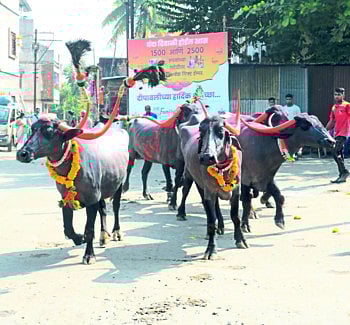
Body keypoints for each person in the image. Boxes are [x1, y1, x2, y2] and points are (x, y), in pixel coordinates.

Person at [326, 87, 350, 183]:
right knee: (338, 153)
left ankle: (344, 172)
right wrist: (324, 130)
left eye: (339, 94)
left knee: (335, 151)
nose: (337, 96)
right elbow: (332, 121)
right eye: (335, 94)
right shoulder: (334, 107)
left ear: (343, 95)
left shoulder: (347, 105)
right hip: (337, 133)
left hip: (345, 133)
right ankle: (342, 174)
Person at [283, 93, 302, 159]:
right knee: (287, 142)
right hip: (286, 127)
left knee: (294, 141)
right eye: (287, 99)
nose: (288, 101)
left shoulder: (296, 108)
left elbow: (299, 117)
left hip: (294, 127)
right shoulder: (283, 108)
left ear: (292, 100)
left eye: (290, 99)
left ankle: (295, 154)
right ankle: (288, 155)